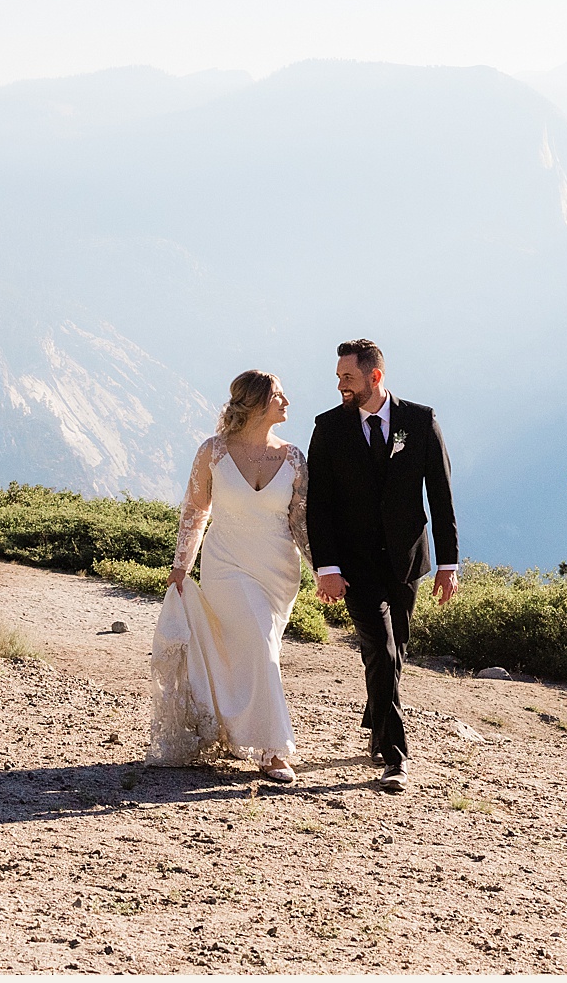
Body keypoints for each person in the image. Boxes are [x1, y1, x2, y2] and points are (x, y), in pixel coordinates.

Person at [304, 338, 459, 794]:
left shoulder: (420, 420)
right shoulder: (328, 428)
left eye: (347, 377)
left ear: (375, 377)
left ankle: (376, 710)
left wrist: (449, 562)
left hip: (408, 559)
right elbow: (320, 506)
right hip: (354, 566)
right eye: (338, 377)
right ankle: (394, 757)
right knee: (382, 647)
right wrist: (325, 566)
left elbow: (442, 496)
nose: (340, 386)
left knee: (397, 648)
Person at [146, 370, 310, 781]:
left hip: (278, 572)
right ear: (255, 403)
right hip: (226, 565)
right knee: (258, 643)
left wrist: (325, 571)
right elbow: (195, 510)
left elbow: (302, 524)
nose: (287, 402)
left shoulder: (293, 458)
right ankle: (274, 750)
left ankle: (233, 730)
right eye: (278, 395)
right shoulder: (213, 452)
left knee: (254, 648)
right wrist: (180, 566)